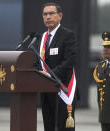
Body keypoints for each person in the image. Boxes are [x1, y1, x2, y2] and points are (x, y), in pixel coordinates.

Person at [33, 2, 78, 131]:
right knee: (49, 127)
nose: (48, 17)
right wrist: (37, 72)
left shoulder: (68, 35)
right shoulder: (42, 38)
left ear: (60, 16)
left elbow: (70, 61)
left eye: (51, 13)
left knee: (64, 128)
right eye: (45, 14)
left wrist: (50, 74)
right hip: (46, 92)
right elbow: (38, 62)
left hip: (63, 89)